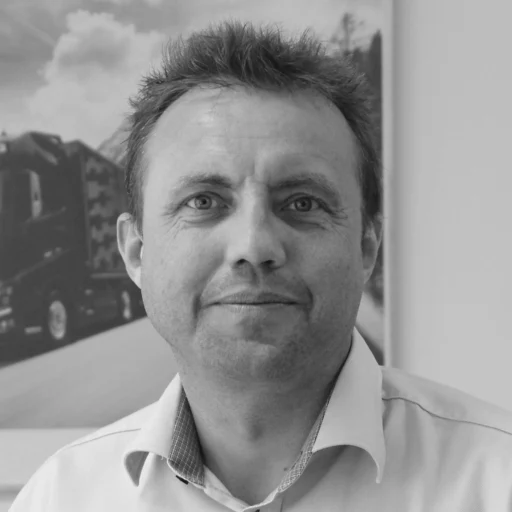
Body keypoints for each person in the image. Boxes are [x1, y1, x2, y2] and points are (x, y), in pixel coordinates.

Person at [10, 20, 512, 512]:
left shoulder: (496, 479)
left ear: (366, 247)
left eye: (302, 203)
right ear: (136, 251)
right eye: (204, 202)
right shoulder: (59, 498)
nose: (253, 246)